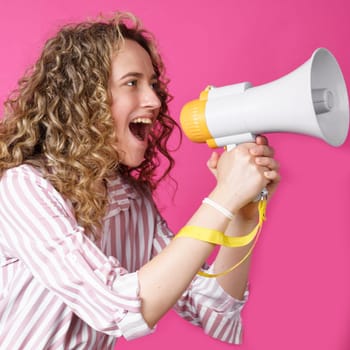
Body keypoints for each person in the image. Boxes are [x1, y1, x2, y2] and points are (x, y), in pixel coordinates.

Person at [0, 11, 280, 349]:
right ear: (86, 99)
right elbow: (114, 307)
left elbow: (212, 311)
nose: (155, 100)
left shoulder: (131, 199)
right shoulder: (24, 188)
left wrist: (240, 214)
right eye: (132, 83)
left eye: (153, 84)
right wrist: (222, 197)